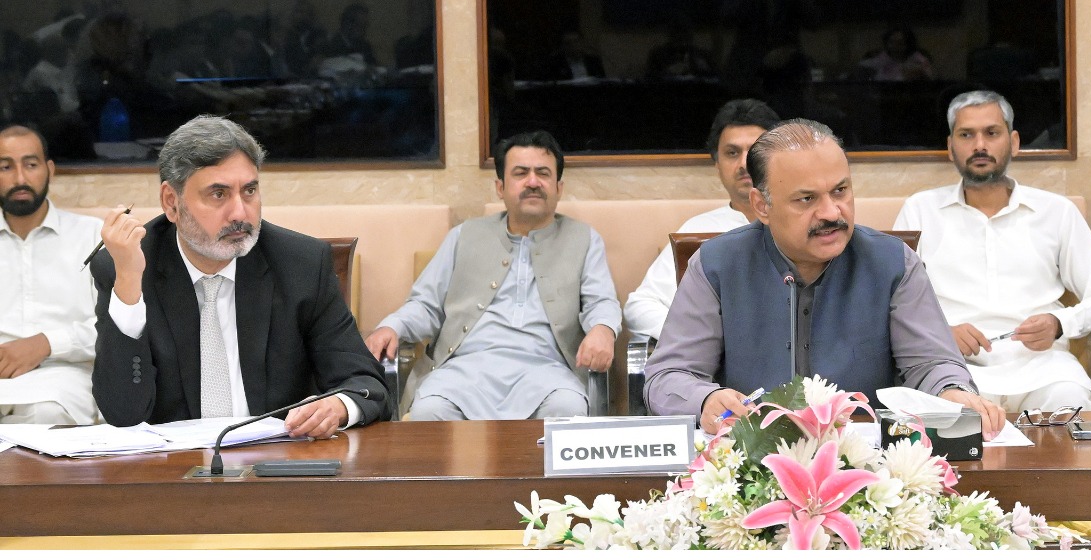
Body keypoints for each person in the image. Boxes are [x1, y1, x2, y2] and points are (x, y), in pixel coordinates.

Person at [644, 118, 1003, 437]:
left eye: (840, 191)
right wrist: (706, 399)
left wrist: (952, 392)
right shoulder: (717, 264)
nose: (831, 212)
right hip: (749, 459)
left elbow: (932, 363)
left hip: (866, 461)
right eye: (806, 199)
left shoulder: (894, 263)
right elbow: (667, 377)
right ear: (762, 206)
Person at [91, 115, 387, 436]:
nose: (240, 213)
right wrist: (128, 284)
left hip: (276, 456)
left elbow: (366, 384)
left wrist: (339, 406)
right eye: (218, 194)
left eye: (249, 191)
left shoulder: (301, 264)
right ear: (171, 202)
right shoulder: (127, 267)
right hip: (173, 461)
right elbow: (123, 414)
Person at [895, 91, 1091, 413]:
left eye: (991, 133)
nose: (979, 145)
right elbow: (894, 304)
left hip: (1044, 369)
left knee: (1070, 401)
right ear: (950, 147)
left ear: (1014, 142)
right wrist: (940, 334)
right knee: (936, 417)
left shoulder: (1056, 212)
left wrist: (1059, 322)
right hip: (953, 368)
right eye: (966, 135)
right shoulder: (920, 210)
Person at [365, 131, 619, 420]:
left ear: (559, 188)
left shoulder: (583, 239)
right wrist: (393, 326)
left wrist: (603, 329)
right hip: (463, 370)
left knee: (567, 409)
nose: (533, 182)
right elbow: (426, 304)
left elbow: (601, 301)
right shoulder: (464, 235)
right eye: (520, 173)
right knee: (430, 411)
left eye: (543, 173)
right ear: (500, 187)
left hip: (548, 371)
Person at [623, 99, 780, 342]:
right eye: (732, 153)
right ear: (717, 164)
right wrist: (700, 339)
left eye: (755, 151)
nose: (743, 164)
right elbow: (641, 305)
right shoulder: (698, 230)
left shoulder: (805, 223)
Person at [0, 125, 100, 424]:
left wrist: (46, 343)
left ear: (49, 170)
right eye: (6, 167)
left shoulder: (93, 237)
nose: (20, 178)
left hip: (64, 375)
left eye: (31, 165)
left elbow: (117, 325)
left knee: (46, 412)